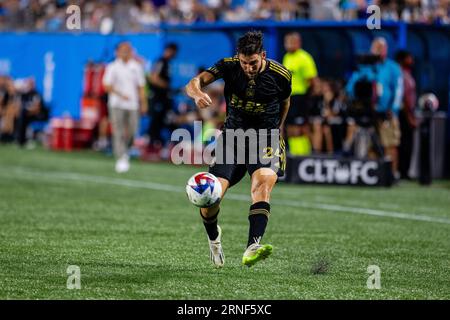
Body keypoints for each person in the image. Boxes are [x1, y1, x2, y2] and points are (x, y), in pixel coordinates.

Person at [185, 31, 291, 268]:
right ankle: (214, 240)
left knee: (262, 184)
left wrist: (278, 128)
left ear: (262, 55)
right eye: (244, 63)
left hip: (265, 138)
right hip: (232, 138)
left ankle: (253, 246)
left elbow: (285, 101)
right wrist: (197, 94)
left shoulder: (281, 75)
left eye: (253, 63)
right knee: (212, 196)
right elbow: (193, 83)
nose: (248, 68)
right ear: (238, 58)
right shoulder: (228, 66)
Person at [103, 41, 147, 173]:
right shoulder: (112, 67)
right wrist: (120, 94)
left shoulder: (136, 67)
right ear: (117, 52)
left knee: (133, 130)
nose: (126, 52)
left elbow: (141, 86)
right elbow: (107, 86)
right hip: (116, 104)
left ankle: (126, 151)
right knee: (118, 131)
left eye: (128, 49)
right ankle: (121, 157)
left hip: (132, 104)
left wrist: (144, 103)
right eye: (123, 49)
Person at [282, 32, 317, 156]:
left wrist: (308, 97)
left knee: (301, 127)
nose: (287, 45)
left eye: (290, 42)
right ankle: (294, 153)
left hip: (301, 97)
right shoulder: (287, 57)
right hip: (289, 97)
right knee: (290, 127)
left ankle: (305, 153)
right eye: (286, 42)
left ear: (298, 43)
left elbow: (312, 80)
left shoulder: (304, 57)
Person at [147, 42, 178, 153]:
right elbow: (153, 77)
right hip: (158, 97)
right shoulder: (161, 61)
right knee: (156, 121)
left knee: (165, 120)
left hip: (164, 98)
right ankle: (152, 145)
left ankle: (162, 145)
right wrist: (166, 86)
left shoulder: (168, 63)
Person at [395, 49, 417, 180]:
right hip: (403, 113)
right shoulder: (401, 74)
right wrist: (409, 116)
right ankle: (402, 172)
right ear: (403, 60)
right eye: (409, 58)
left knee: (407, 143)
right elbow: (404, 98)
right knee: (404, 143)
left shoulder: (408, 74)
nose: (412, 60)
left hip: (408, 112)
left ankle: (405, 171)